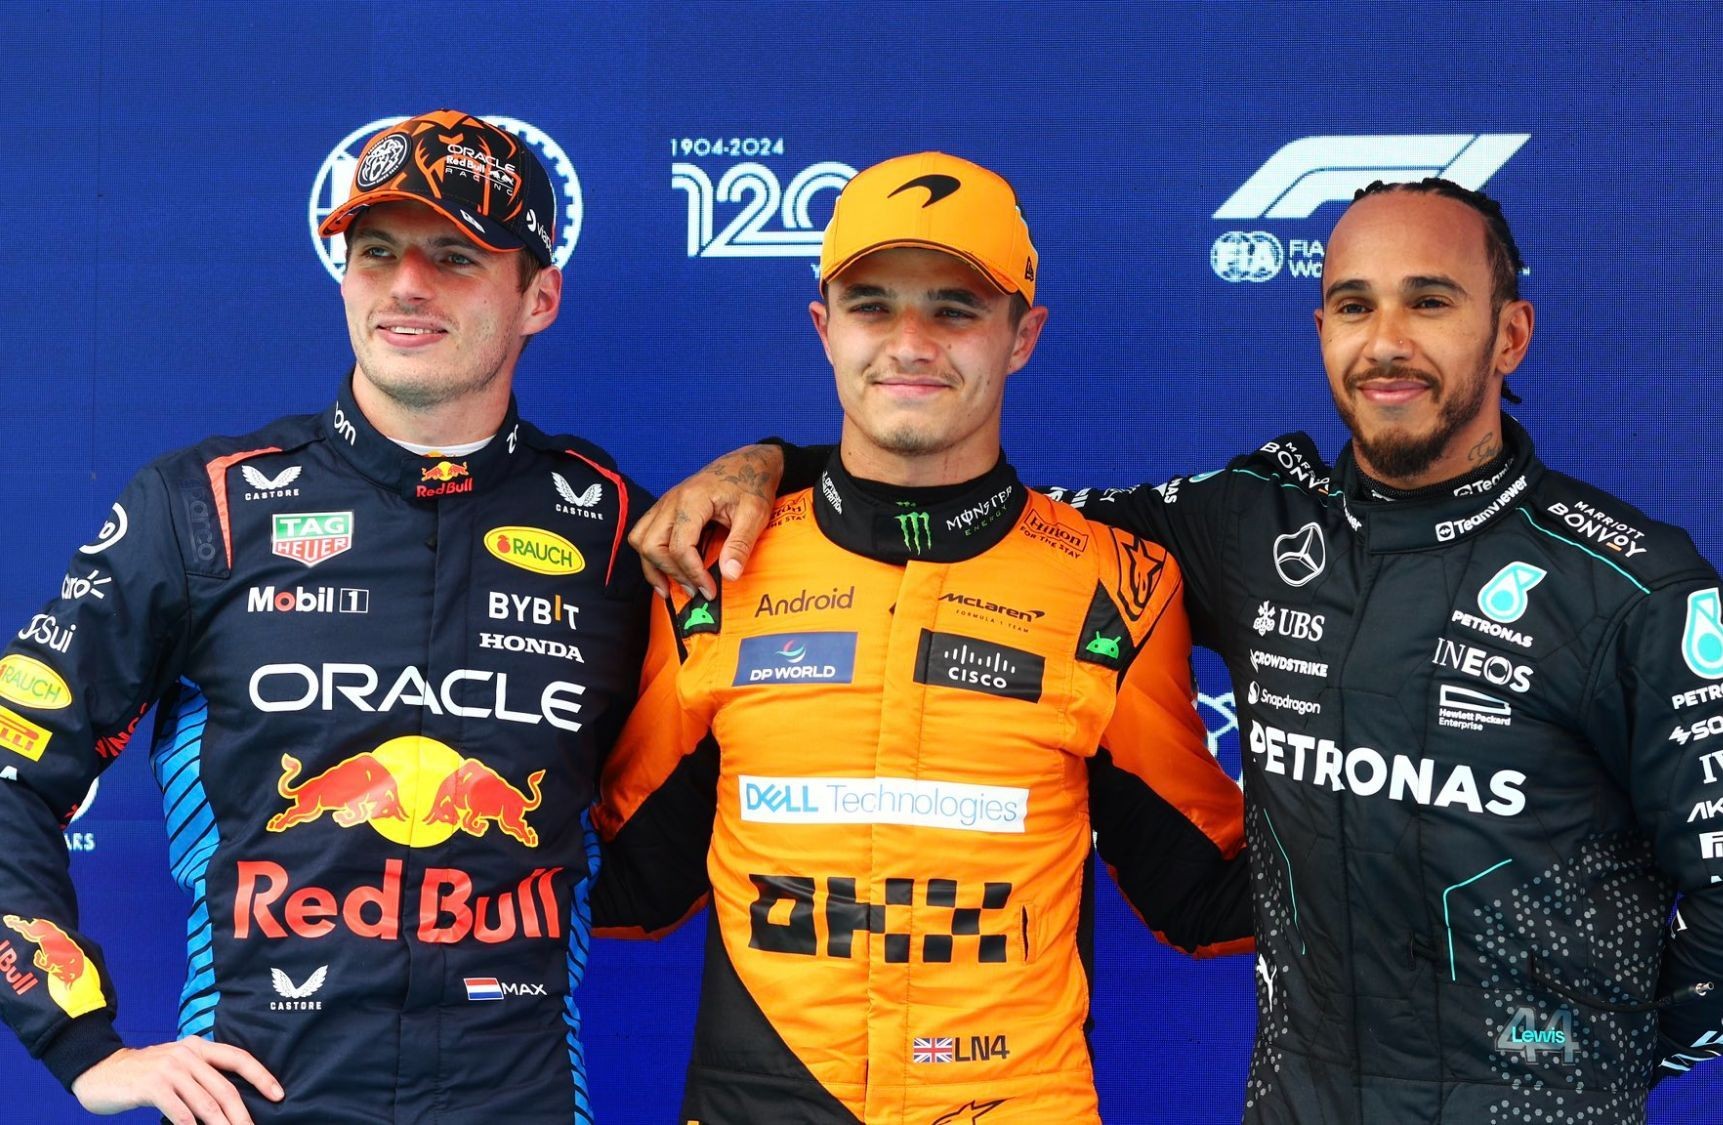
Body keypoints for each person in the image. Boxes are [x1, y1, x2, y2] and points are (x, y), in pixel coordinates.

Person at [632, 179, 1723, 1123]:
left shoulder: (1632, 582)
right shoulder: (1246, 522)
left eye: (1429, 302)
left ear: (1510, 333)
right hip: (1299, 1099)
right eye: (1355, 305)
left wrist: (1592, 1054)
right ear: (1321, 326)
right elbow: (958, 502)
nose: (1386, 340)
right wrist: (766, 464)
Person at [0, 110, 651, 1124]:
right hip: (257, 1104)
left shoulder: (617, 534)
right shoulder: (204, 508)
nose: (405, 285)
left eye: (455, 257)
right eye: (376, 252)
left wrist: (770, 464)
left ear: (539, 296)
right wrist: (76, 1040)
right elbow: (12, 770)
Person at [589, 151, 1251, 1124]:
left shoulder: (1113, 583)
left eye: (954, 309)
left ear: (1022, 336)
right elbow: (625, 879)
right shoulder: (716, 567)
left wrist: (1421, 842)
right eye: (871, 306)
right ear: (823, 327)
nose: (909, 342)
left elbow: (1195, 890)